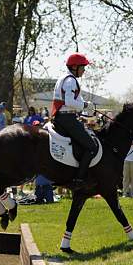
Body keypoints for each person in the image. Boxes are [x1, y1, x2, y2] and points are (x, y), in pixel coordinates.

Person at [51, 52, 96, 189]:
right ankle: (79, 179)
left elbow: (74, 101)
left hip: (63, 117)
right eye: (83, 67)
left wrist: (86, 105)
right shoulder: (71, 80)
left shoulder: (64, 78)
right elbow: (70, 101)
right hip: (67, 119)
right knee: (92, 147)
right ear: (75, 67)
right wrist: (85, 106)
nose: (84, 70)